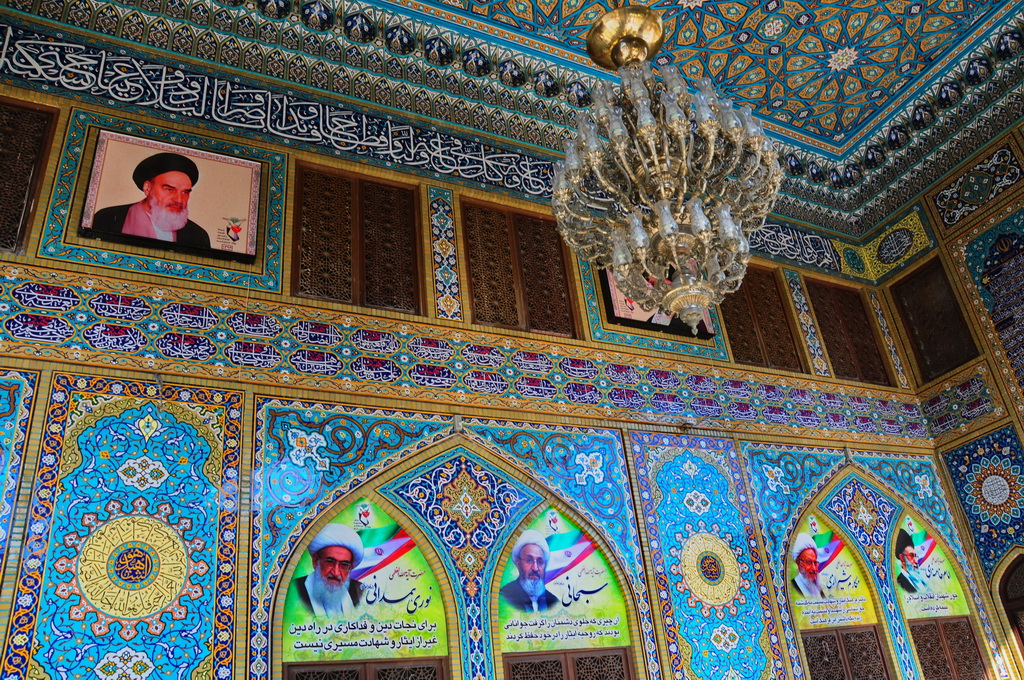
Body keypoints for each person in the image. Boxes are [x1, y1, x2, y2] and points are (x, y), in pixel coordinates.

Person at [91, 152, 210, 248]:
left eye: (185, 192)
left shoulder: (198, 236)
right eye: (169, 190)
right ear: (147, 188)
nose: (179, 200)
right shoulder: (108, 219)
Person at [294, 524, 365, 616]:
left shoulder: (359, 591)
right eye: (330, 562)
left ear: (350, 567)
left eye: (344, 565)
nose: (336, 573)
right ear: (315, 561)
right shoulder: (294, 590)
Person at [500, 529, 558, 613]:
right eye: (529, 560)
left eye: (540, 562)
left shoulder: (553, 601)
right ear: (518, 563)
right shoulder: (505, 596)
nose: (535, 568)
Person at [791, 532, 825, 599]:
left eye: (815, 563)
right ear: (799, 563)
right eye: (809, 562)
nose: (814, 568)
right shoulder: (793, 587)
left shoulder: (818, 588)